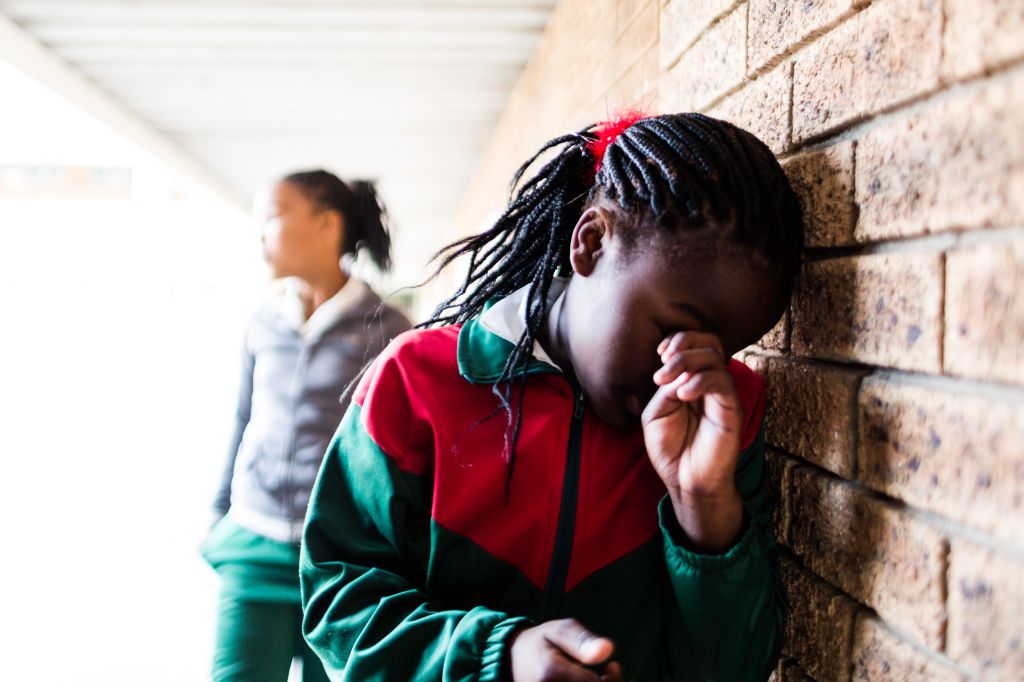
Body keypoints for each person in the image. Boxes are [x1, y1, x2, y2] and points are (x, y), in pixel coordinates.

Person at [300, 112, 804, 681]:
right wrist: (498, 657)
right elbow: (337, 605)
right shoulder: (419, 382)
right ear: (590, 243)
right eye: (675, 330)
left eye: (727, 350)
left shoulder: (724, 419)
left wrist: (704, 506)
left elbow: (734, 671)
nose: (688, 375)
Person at [203, 170, 411, 681]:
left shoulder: (387, 328)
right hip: (253, 546)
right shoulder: (263, 321)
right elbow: (242, 418)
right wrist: (217, 516)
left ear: (325, 224)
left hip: (342, 564)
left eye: (272, 218)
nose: (260, 236)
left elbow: (406, 450)